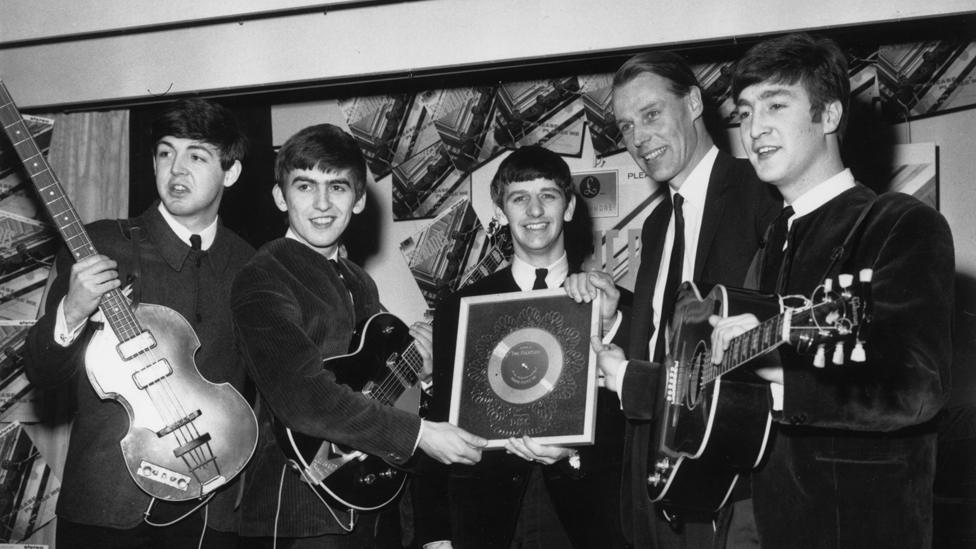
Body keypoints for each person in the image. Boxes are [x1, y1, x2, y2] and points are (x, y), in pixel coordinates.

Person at [707, 32, 954, 548]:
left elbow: (915, 388)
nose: (755, 129)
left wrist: (778, 366)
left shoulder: (899, 223)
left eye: (776, 104)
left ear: (830, 116)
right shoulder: (774, 240)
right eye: (746, 112)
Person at [230, 123, 486, 548]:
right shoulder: (264, 276)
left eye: (338, 187)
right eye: (305, 186)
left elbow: (378, 384)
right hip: (300, 511)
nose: (323, 204)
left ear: (360, 199)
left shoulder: (359, 281)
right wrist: (419, 434)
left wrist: (419, 369)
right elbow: (303, 397)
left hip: (370, 502)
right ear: (280, 197)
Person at [24, 98, 255, 548]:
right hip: (108, 511)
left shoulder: (251, 266)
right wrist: (71, 311)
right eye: (166, 153)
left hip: (214, 513)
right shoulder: (100, 242)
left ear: (231, 173)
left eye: (197, 155)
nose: (177, 169)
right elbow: (42, 374)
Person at [574, 51, 780, 548]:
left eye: (650, 115)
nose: (638, 139)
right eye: (625, 126)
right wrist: (616, 319)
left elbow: (772, 336)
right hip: (660, 482)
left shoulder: (761, 191)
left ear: (692, 103)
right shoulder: (659, 222)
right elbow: (658, 349)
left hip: (735, 485)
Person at [411, 145, 629, 549]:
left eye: (548, 195)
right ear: (502, 211)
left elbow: (633, 425)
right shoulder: (459, 309)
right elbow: (439, 417)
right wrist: (435, 533)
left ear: (568, 208)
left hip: (581, 519)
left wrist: (574, 453)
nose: (534, 211)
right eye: (519, 198)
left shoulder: (616, 303)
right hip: (486, 519)